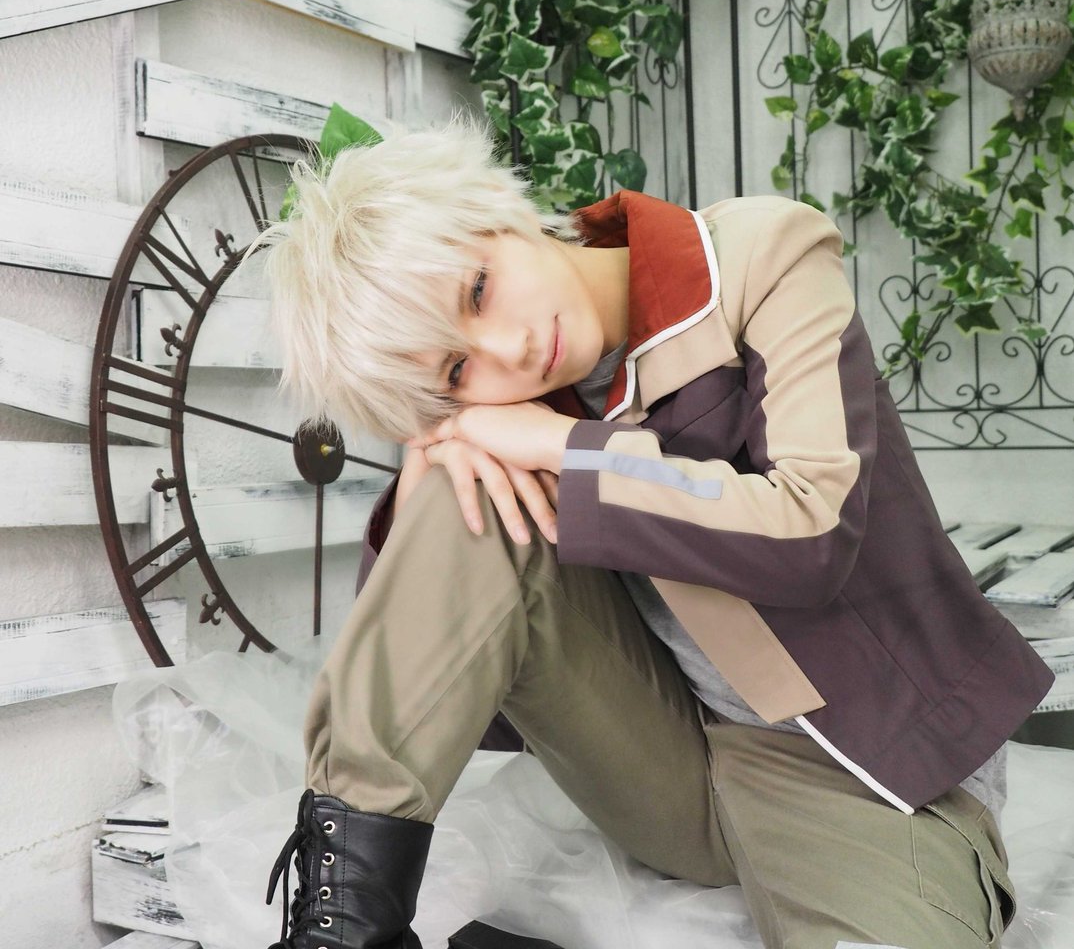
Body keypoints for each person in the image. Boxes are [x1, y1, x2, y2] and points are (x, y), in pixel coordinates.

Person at [255, 119, 1053, 949]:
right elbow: (483, 714)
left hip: (868, 769)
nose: (511, 349)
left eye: (478, 290)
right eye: (458, 370)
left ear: (499, 209)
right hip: (666, 767)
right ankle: (341, 934)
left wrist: (568, 448)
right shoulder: (504, 416)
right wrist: (430, 478)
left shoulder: (762, 257)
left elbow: (811, 532)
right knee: (469, 488)